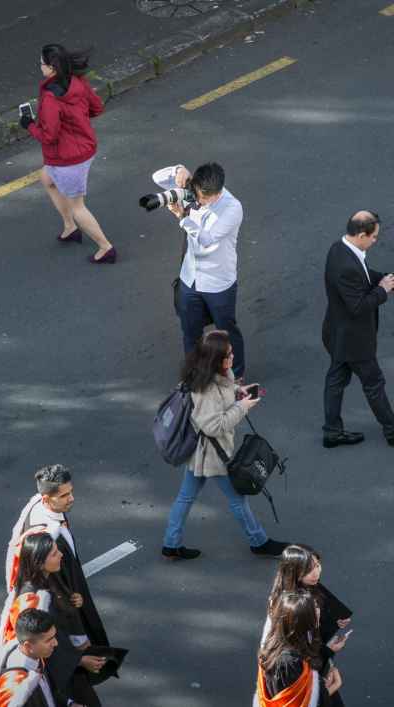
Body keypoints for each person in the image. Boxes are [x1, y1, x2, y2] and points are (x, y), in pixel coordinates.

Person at [161, 329, 288, 560]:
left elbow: (225, 392)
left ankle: (171, 544)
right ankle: (259, 541)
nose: (232, 358)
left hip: (201, 453)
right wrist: (243, 407)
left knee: (186, 496)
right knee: (238, 499)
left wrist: (239, 392)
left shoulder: (210, 373)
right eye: (227, 355)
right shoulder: (206, 389)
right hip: (212, 454)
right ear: (214, 360)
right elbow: (214, 425)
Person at [0, 532, 125, 707]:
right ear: (39, 562)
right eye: (54, 553)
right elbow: (43, 644)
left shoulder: (44, 579)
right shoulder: (33, 601)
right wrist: (78, 660)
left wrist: (73, 600)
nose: (61, 555)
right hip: (59, 675)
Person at [20, 43, 116, 263]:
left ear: (52, 68)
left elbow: (49, 136)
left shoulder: (51, 98)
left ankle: (105, 247)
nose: (40, 67)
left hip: (68, 158)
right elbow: (97, 107)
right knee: (46, 178)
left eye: (41, 64)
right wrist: (77, 122)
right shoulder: (77, 82)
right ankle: (69, 226)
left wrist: (29, 125)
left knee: (78, 206)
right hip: (85, 147)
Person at [152, 162, 246, 379]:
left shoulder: (232, 208)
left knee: (226, 332)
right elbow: (157, 177)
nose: (200, 202)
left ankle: (237, 375)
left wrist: (182, 218)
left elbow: (207, 239)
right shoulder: (194, 190)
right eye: (198, 195)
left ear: (218, 193)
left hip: (218, 282)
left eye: (205, 198)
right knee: (190, 332)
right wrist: (177, 171)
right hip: (190, 278)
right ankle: (194, 376)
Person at [6, 464, 109, 649]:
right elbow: (58, 594)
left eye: (71, 492)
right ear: (46, 499)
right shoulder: (47, 542)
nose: (71, 499)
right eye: (64, 496)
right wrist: (80, 641)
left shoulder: (43, 508)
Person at [322, 210, 394, 447]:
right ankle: (391, 430)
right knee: (374, 383)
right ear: (362, 234)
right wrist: (382, 290)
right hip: (354, 340)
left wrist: (385, 279)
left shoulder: (340, 249)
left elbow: (363, 278)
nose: (375, 241)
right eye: (374, 237)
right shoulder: (346, 265)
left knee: (336, 379)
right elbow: (358, 305)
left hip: (338, 334)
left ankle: (332, 431)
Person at [262, 545, 352, 706]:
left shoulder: (299, 603)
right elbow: (299, 701)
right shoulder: (288, 663)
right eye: (309, 569)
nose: (316, 573)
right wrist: (331, 689)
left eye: (317, 565)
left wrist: (327, 649)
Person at [255, 591, 343, 707]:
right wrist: (333, 686)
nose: (318, 612)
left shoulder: (276, 650)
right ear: (302, 621)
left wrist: (328, 652)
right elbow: (302, 703)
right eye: (313, 610)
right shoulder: (290, 662)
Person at [0, 608, 67, 707]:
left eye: (54, 636)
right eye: (48, 640)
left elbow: (48, 691)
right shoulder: (14, 686)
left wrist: (69, 703)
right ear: (28, 646)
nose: (56, 643)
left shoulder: (34, 655)